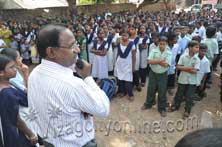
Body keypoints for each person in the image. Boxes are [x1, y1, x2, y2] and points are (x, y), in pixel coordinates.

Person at [28, 24, 110, 147]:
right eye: (72, 46)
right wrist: (87, 77)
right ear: (51, 52)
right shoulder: (72, 84)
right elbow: (103, 109)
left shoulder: (34, 74)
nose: (77, 50)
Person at [0, 54, 38, 147]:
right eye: (11, 67)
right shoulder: (7, 93)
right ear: (1, 73)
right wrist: (31, 134)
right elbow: (16, 120)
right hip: (17, 133)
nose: (15, 69)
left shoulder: (9, 83)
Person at [141, 36, 172, 117]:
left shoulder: (169, 53)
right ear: (158, 44)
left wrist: (155, 61)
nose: (162, 45)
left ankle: (162, 108)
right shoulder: (154, 50)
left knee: (162, 91)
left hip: (163, 75)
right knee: (151, 89)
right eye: (160, 44)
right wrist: (160, 60)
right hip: (153, 74)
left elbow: (166, 65)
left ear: (166, 44)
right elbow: (149, 61)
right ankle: (148, 104)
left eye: (163, 44)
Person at [171, 41, 200, 118]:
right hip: (182, 79)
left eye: (198, 47)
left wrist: (184, 68)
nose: (198, 49)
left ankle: (187, 110)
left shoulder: (197, 59)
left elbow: (194, 71)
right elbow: (178, 67)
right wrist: (190, 68)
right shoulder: (183, 56)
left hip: (192, 81)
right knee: (179, 93)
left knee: (190, 96)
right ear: (190, 48)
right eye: (196, 47)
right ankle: (176, 106)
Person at [114, 30, 136, 101]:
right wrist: (115, 63)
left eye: (125, 35)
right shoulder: (119, 43)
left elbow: (134, 56)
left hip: (128, 64)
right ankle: (122, 92)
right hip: (120, 63)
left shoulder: (132, 44)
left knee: (128, 79)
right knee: (120, 79)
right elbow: (118, 54)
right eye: (122, 35)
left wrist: (133, 66)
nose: (124, 37)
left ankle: (130, 94)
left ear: (128, 36)